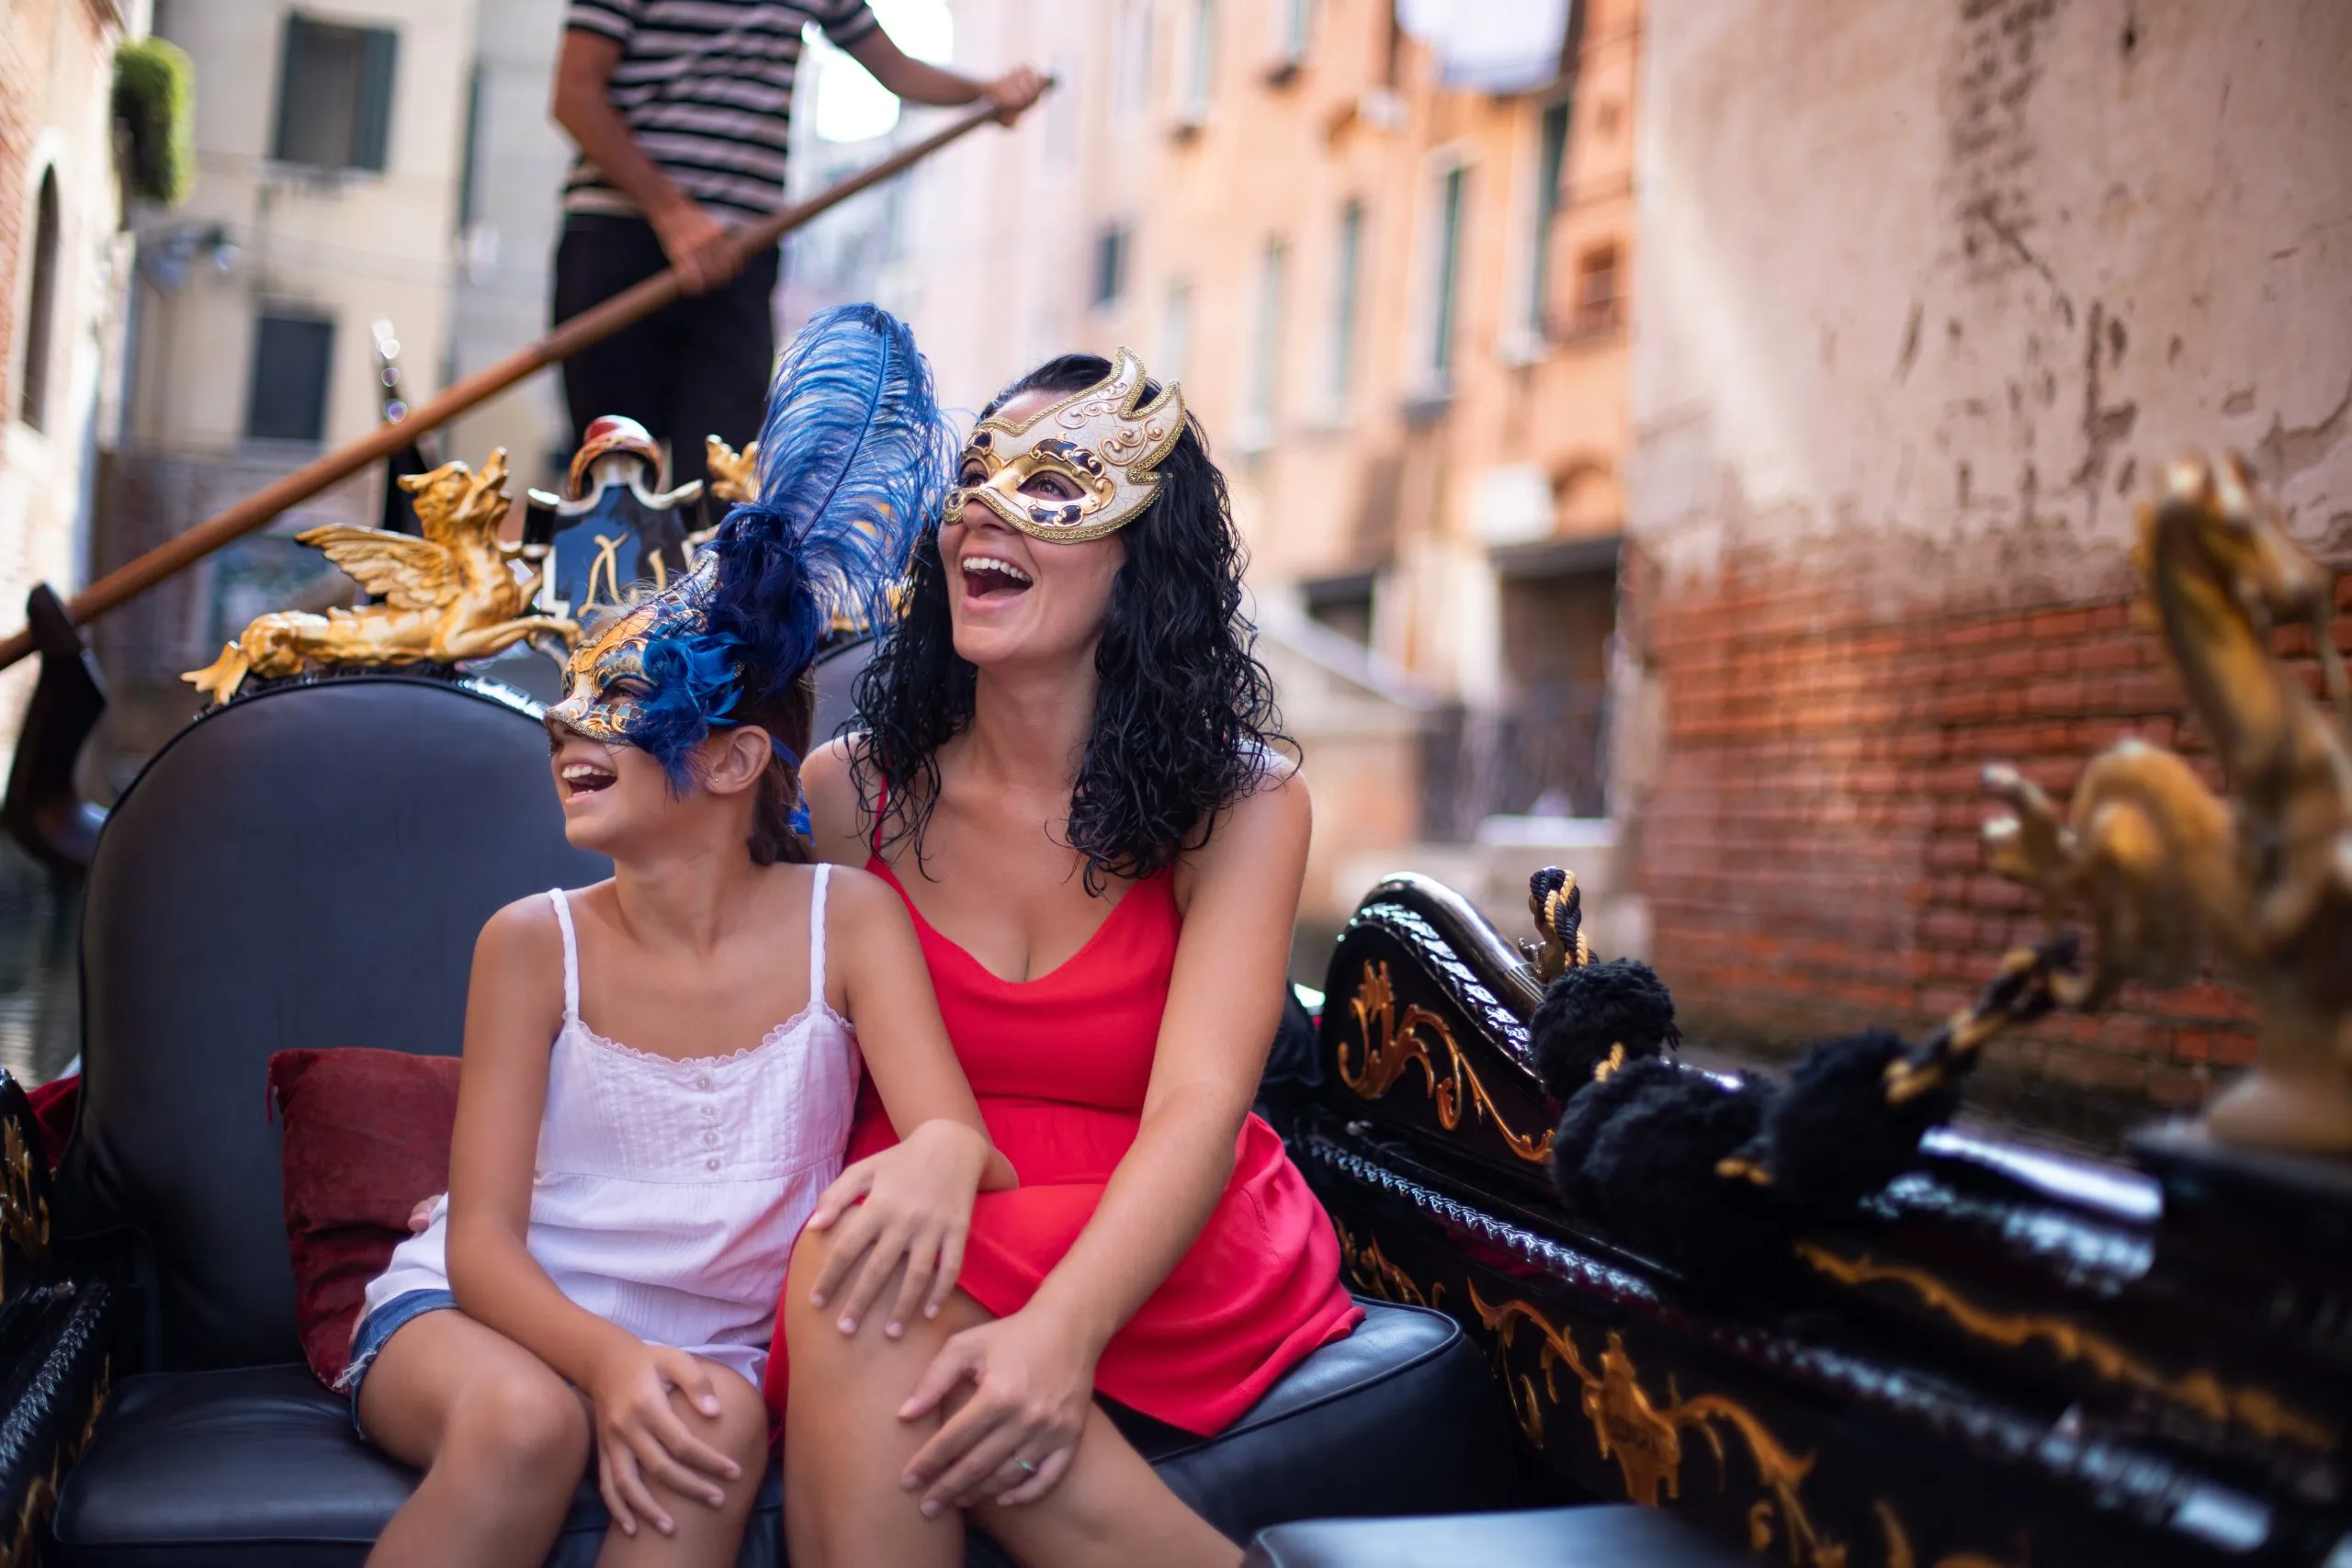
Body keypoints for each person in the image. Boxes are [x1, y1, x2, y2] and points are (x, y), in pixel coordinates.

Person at [348, 305, 1010, 1568]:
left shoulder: (847, 921)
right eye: (568, 693)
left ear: (731, 756)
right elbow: (482, 1240)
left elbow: (951, 1136)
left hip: (710, 1352)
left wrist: (945, 1151)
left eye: (615, 700)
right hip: (477, 1319)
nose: (563, 726)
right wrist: (608, 1365)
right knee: (525, 1422)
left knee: (713, 1426)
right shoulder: (531, 943)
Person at [775, 350, 1363, 1567]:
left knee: (860, 1291)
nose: (981, 510)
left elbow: (1201, 1110)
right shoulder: (849, 794)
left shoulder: (1242, 805)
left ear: (1141, 555)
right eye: (973, 476)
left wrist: (1059, 1334)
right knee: (863, 1268)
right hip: (921, 1209)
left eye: (1050, 483)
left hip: (1164, 1233)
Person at [551, 1, 1046, 491]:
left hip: (741, 254)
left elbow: (894, 69)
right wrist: (672, 214)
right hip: (619, 236)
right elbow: (574, 96)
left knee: (724, 477)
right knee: (609, 473)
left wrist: (986, 94)